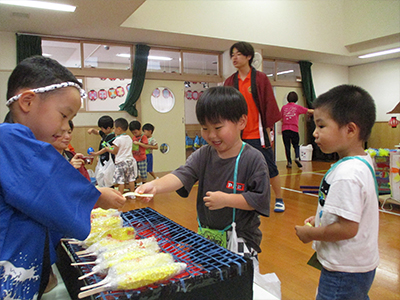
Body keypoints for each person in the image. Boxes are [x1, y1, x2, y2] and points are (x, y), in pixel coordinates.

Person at [0, 56, 126, 300]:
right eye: (64, 115)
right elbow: (48, 191)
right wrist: (98, 196)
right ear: (27, 102)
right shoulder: (7, 139)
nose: (66, 126)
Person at [136, 86, 270, 257]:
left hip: (243, 239)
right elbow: (182, 174)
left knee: (240, 276)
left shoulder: (253, 159)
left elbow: (259, 200)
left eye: (218, 127)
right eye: (205, 128)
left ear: (241, 122)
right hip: (207, 236)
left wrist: (227, 199)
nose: (211, 135)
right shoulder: (204, 154)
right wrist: (155, 186)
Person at [295, 85, 379, 300]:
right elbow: (350, 212)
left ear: (350, 130)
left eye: (321, 126)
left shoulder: (347, 173)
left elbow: (347, 228)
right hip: (358, 264)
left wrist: (310, 234)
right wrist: (323, 218)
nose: (315, 133)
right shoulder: (361, 162)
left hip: (344, 269)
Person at [224, 41, 284, 212]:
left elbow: (268, 105)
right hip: (239, 136)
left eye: (238, 54)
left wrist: (268, 133)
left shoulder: (260, 79)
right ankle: (243, 200)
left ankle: (279, 199)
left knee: (270, 167)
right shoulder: (230, 81)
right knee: (239, 169)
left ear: (248, 56)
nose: (234, 58)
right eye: (232, 55)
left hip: (258, 134)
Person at [96, 118, 137, 194]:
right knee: (131, 179)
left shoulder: (118, 139)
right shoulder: (129, 138)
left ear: (119, 129)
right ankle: (133, 194)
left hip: (121, 162)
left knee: (120, 181)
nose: (113, 130)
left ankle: (120, 195)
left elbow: (114, 151)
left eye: (114, 128)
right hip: (130, 161)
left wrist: (108, 149)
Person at [281, 91, 314, 168]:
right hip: (294, 129)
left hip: (285, 129)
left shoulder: (284, 108)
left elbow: (281, 118)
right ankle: (296, 157)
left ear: (287, 98)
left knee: (287, 146)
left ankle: (289, 162)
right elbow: (309, 111)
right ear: (296, 99)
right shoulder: (297, 107)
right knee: (296, 145)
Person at [129, 120, 148, 185]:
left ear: (140, 129)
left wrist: (139, 143)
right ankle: (135, 184)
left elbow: (146, 146)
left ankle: (144, 184)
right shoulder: (133, 137)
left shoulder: (143, 137)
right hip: (135, 158)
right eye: (133, 133)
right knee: (135, 172)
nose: (134, 134)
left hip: (142, 158)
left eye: (135, 132)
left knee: (143, 173)